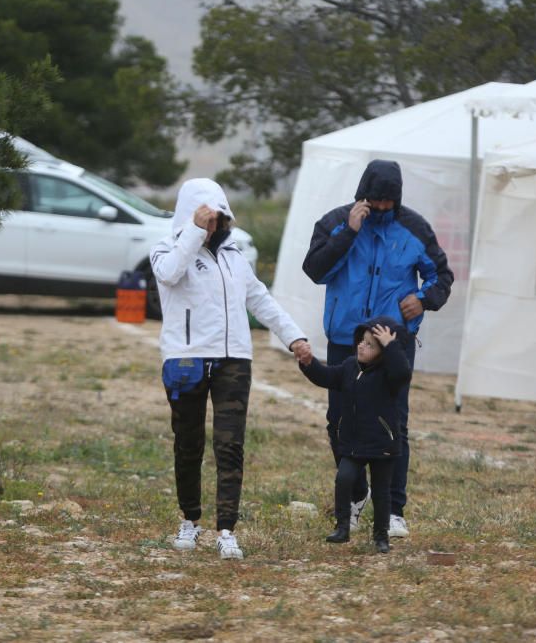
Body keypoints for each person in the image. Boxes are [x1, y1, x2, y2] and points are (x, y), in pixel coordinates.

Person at [151, 178, 311, 560]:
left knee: (230, 444)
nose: (213, 226)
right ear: (189, 215)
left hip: (234, 360)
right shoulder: (167, 248)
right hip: (185, 358)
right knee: (188, 443)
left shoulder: (236, 256)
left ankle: (227, 529)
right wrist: (193, 230)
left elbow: (261, 300)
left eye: (218, 219)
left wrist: (295, 338)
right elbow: (170, 273)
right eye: (206, 217)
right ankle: (189, 520)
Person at [302, 159, 453, 539]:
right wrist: (348, 233)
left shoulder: (415, 228)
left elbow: (442, 276)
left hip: (392, 343)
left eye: (389, 202)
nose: (382, 208)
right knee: (339, 420)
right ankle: (356, 497)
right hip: (345, 340)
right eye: (376, 201)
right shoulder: (335, 222)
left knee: (394, 423)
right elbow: (315, 270)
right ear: (362, 196)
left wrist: (423, 299)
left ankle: (395, 510)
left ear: (397, 199)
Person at [296, 316, 412, 553]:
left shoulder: (389, 376)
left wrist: (391, 346)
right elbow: (326, 376)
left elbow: (403, 372)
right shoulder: (349, 367)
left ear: (382, 353)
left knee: (382, 493)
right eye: (361, 341)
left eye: (370, 344)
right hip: (354, 444)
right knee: (344, 479)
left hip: (383, 445)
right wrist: (309, 363)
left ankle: (381, 537)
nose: (361, 346)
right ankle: (342, 527)